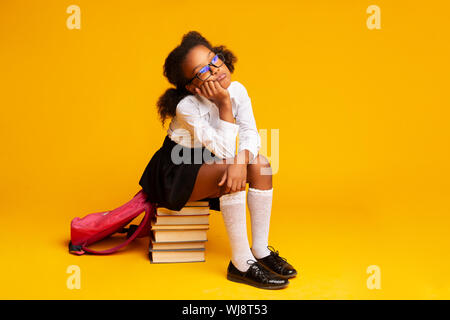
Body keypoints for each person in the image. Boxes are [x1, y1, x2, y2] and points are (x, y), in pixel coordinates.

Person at [139, 31, 297, 289]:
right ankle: (241, 262)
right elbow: (224, 149)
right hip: (177, 170)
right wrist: (224, 104)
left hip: (213, 160)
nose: (216, 71)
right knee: (232, 166)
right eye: (204, 71)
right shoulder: (187, 106)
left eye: (215, 60)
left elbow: (250, 134)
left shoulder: (238, 90)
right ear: (192, 86)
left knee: (262, 165)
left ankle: (260, 250)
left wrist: (240, 162)